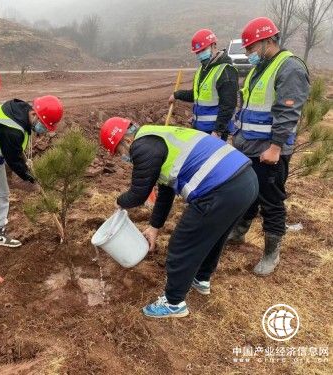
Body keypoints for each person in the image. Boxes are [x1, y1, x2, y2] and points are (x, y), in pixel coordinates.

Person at [99, 117, 258, 318]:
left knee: (181, 244)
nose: (123, 158)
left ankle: (174, 303)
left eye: (119, 152)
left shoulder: (141, 147)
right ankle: (201, 279)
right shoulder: (158, 137)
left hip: (221, 189)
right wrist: (154, 228)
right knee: (214, 236)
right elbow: (166, 190)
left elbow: (138, 194)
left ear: (126, 141)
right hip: (246, 181)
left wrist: (119, 202)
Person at [227, 17, 310, 276]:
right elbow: (250, 108)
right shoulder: (260, 68)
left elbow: (288, 112)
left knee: (271, 201)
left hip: (268, 152)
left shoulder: (289, 67)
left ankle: (271, 253)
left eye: (251, 48)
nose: (249, 54)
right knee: (248, 193)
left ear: (266, 41)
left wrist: (275, 148)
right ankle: (240, 232)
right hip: (249, 147)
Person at [0, 95, 64, 264]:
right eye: (44, 125)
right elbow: (15, 160)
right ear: (34, 115)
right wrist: (31, 179)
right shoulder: (11, 129)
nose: (44, 130)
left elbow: (16, 152)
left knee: (0, 195)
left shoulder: (23, 112)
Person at [169, 29, 238, 141]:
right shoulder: (202, 70)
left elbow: (228, 105)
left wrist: (217, 132)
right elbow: (196, 95)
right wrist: (177, 95)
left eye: (203, 50)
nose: (200, 55)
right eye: (197, 52)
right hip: (200, 129)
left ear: (214, 45)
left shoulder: (226, 71)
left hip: (214, 133)